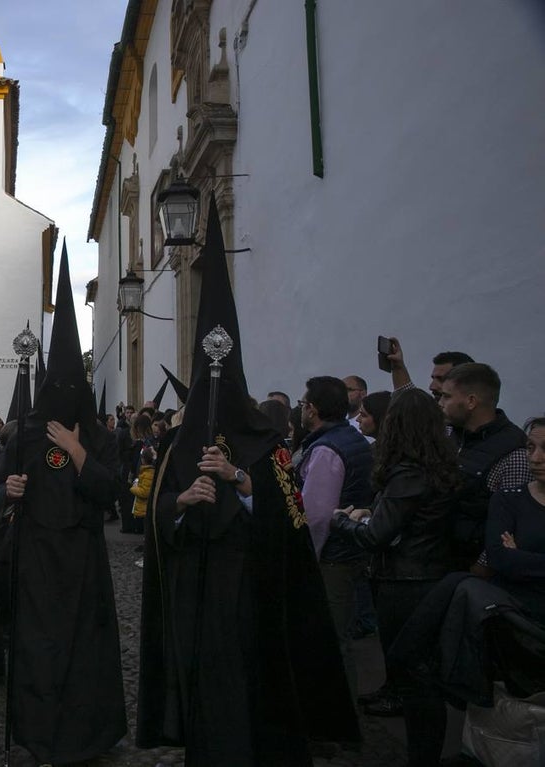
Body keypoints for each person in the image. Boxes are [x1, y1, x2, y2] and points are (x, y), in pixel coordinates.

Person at [138, 197, 357, 765]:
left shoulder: (267, 445)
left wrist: (242, 482)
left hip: (253, 593)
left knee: (254, 704)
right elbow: (157, 517)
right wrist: (183, 501)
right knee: (208, 708)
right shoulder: (175, 445)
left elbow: (290, 521)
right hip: (195, 594)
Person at [0, 243, 126, 764]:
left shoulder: (97, 438)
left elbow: (111, 492)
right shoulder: (24, 434)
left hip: (84, 561)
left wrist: (77, 452)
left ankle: (85, 736)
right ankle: (36, 734)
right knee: (37, 651)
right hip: (35, 559)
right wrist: (5, 490)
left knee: (84, 653)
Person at [330, 388, 459, 765]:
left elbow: (375, 537)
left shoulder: (408, 473)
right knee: (419, 677)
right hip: (427, 575)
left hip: (406, 583)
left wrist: (341, 520)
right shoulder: (440, 465)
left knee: (415, 678)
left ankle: (422, 757)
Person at [298, 375, 375, 700]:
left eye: (304, 404)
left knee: (330, 639)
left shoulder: (327, 449)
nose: (302, 409)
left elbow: (317, 516)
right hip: (349, 552)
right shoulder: (351, 438)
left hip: (331, 558)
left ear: (312, 409)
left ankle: (338, 719)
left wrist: (305, 562)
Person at [438, 363, 529, 570]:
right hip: (439, 557)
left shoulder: (513, 453)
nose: (441, 403)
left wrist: (481, 569)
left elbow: (511, 524)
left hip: (472, 568)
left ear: (471, 401)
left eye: (447, 396)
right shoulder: (450, 434)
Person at [485, 417, 545, 623]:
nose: (536, 458)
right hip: (516, 619)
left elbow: (512, 562)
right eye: (530, 447)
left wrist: (520, 557)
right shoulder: (508, 499)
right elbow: (499, 558)